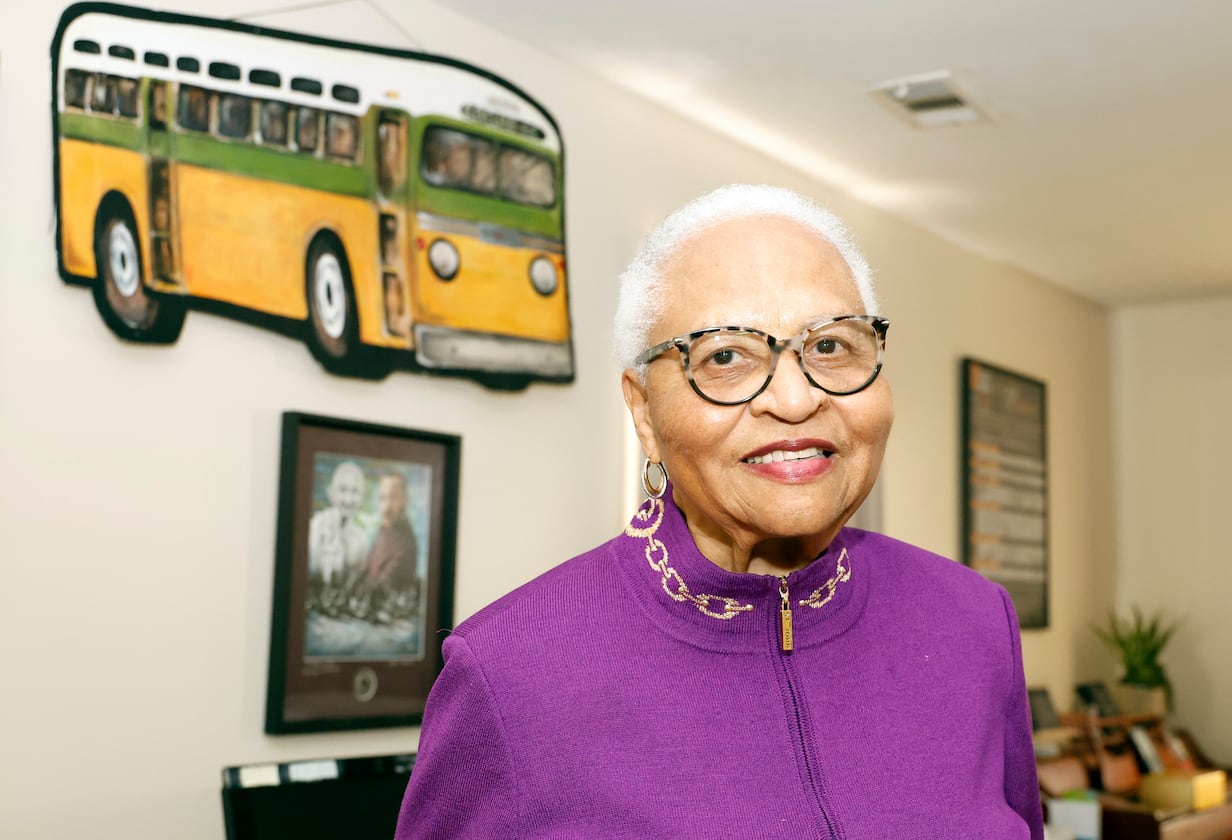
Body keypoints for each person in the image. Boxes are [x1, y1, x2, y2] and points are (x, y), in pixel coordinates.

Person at [394, 184, 1043, 839]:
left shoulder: (971, 622)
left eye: (830, 347)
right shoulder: (513, 671)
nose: (794, 400)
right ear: (644, 412)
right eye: (725, 356)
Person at [349, 472, 419, 623]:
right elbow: (365, 569)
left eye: (393, 497)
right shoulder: (384, 531)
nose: (386, 506)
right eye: (382, 498)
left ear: (404, 500)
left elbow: (382, 588)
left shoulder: (406, 543)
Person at [307, 459, 368, 616]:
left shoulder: (361, 539)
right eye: (342, 490)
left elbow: (359, 585)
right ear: (331, 493)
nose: (348, 499)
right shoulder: (316, 526)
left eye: (354, 492)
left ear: (361, 497)